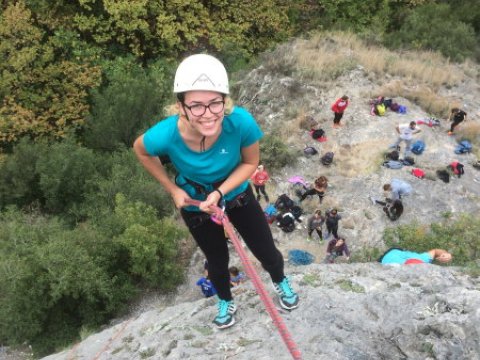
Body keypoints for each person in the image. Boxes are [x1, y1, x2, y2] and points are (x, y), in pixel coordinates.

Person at [133, 54, 299, 329]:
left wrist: (220, 192)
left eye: (215, 103)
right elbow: (140, 150)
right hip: (196, 203)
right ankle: (224, 299)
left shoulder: (240, 123)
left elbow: (250, 163)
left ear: (225, 101)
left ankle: (280, 281)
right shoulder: (165, 135)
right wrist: (172, 189)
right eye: (196, 106)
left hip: (236, 195)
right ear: (181, 106)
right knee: (217, 261)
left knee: (266, 249)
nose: (208, 113)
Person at [380, 248, 452, 265]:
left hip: (395, 252)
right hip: (394, 251)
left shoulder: (421, 259)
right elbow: (435, 251)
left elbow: (435, 251)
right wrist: (445, 254)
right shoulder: (421, 259)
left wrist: (445, 254)